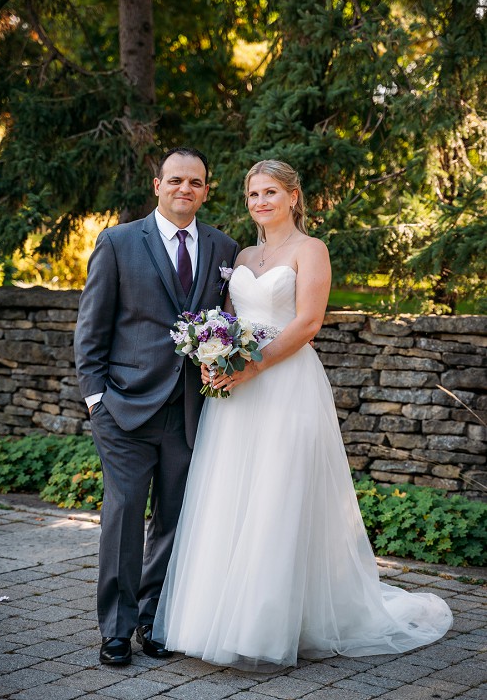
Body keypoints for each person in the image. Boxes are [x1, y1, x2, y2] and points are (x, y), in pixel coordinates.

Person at [152, 159, 453, 670]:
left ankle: (269, 625)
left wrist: (254, 365)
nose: (261, 202)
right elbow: (228, 319)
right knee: (230, 493)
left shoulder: (311, 250)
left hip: (285, 383)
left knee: (278, 494)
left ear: (293, 196)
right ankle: (213, 619)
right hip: (237, 394)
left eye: (270, 192)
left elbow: (309, 321)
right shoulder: (243, 253)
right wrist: (214, 356)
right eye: (252, 194)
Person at [74, 147, 239, 666]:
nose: (184, 189)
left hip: (190, 411)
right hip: (124, 407)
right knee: (123, 520)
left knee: (174, 520)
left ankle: (154, 621)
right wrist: (96, 399)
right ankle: (116, 630)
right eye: (175, 181)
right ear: (157, 185)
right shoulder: (119, 242)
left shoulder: (222, 246)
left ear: (206, 190)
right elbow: (92, 327)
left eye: (195, 182)